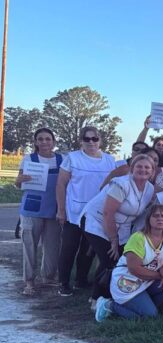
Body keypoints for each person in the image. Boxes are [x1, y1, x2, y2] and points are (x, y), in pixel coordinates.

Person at [81, 155, 156, 303]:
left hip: (122, 225)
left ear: (152, 171)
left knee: (121, 259)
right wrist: (113, 240)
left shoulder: (150, 188)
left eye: (147, 167)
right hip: (98, 220)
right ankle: (96, 298)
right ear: (132, 168)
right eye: (139, 166)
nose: (143, 170)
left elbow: (142, 213)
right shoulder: (121, 184)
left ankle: (113, 293)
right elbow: (108, 213)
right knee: (109, 258)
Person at [56, 126, 119, 296]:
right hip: (74, 212)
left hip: (95, 214)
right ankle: (63, 282)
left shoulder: (109, 160)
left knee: (88, 250)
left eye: (94, 139)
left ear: (100, 141)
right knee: (69, 248)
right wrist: (61, 210)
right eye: (87, 139)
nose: (91, 142)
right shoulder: (72, 158)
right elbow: (61, 184)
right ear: (81, 141)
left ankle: (81, 280)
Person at [94, 204, 163, 321]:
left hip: (148, 280)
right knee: (150, 317)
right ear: (148, 220)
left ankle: (145, 306)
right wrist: (162, 276)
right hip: (127, 278)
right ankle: (108, 305)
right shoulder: (138, 238)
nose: (160, 218)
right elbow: (134, 269)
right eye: (155, 216)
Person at [16, 128, 63, 295]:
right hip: (32, 209)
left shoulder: (61, 159)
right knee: (30, 246)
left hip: (54, 209)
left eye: (48, 139)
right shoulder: (29, 159)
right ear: (35, 142)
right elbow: (18, 184)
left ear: (53, 142)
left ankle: (49, 277)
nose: (44, 142)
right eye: (41, 139)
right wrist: (20, 180)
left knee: (52, 247)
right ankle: (29, 281)